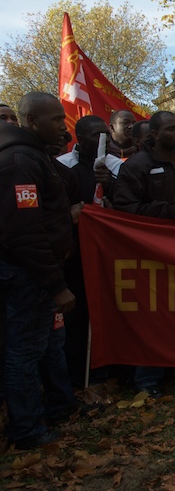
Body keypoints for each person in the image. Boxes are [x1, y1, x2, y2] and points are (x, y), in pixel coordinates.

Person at [0, 92, 78, 449]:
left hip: (36, 274)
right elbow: (25, 232)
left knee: (43, 347)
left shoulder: (34, 157)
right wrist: (55, 284)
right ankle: (27, 430)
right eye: (55, 119)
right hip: (26, 276)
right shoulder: (19, 162)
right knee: (24, 352)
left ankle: (54, 411)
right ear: (30, 120)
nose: (63, 126)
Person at [113, 111, 175, 397]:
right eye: (172, 129)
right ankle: (148, 381)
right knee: (153, 318)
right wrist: (169, 212)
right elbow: (125, 208)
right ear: (154, 135)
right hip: (151, 254)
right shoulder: (137, 166)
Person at [55, 115, 122, 385]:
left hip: (106, 251)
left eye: (105, 134)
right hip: (75, 254)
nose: (103, 140)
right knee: (78, 315)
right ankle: (76, 372)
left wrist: (110, 184)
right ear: (81, 139)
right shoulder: (63, 167)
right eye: (97, 136)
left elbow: (124, 204)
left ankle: (104, 370)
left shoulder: (114, 166)